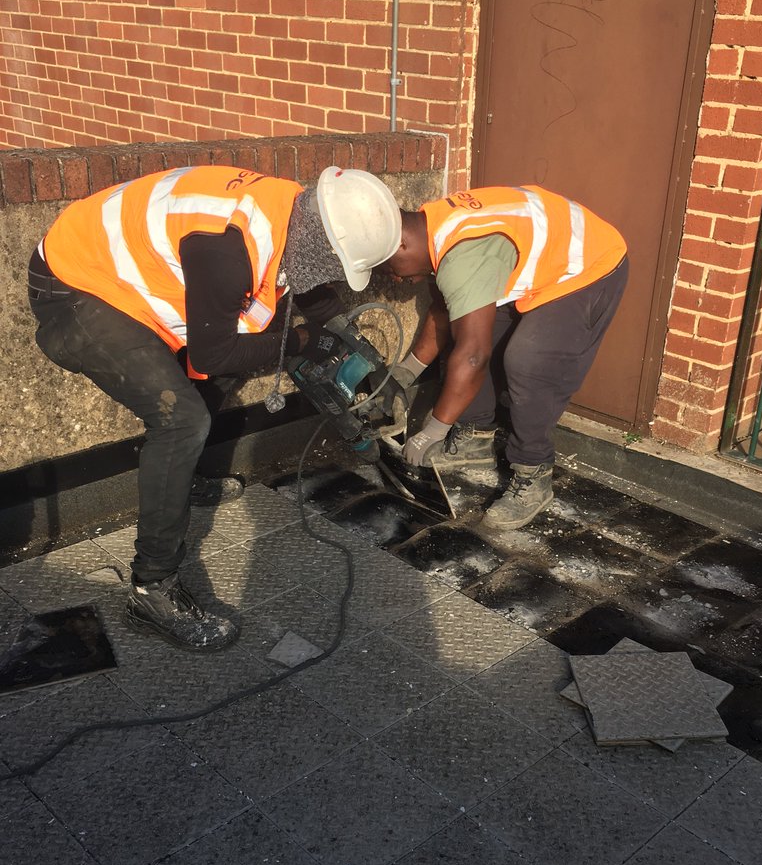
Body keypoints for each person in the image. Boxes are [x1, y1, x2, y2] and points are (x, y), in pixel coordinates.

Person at [28, 164, 401, 651]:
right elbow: (212, 354)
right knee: (182, 420)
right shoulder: (227, 248)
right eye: (337, 264)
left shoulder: (296, 212)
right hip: (75, 288)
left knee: (244, 344)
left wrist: (343, 340)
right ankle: (152, 589)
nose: (333, 274)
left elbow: (307, 288)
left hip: (113, 270)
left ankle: (182, 479)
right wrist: (304, 342)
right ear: (324, 242)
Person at [384, 184, 628, 531]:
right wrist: (408, 371)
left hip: (588, 266)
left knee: (527, 360)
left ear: (402, 244)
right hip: (544, 260)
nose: (397, 279)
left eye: (390, 268)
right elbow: (444, 309)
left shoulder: (463, 253)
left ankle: (534, 471)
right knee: (465, 330)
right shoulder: (433, 230)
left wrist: (433, 430)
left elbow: (473, 357)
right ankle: (475, 440)